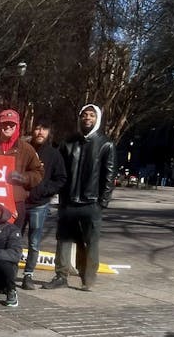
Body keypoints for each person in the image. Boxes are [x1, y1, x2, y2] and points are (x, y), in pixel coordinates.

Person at [43, 104, 116, 291]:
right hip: (68, 201)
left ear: (97, 119)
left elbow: (108, 176)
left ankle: (88, 278)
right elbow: (59, 171)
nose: (87, 118)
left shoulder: (106, 144)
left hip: (92, 202)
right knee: (64, 240)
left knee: (90, 241)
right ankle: (61, 275)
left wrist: (102, 202)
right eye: (84, 115)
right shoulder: (68, 143)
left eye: (91, 115)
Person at [20, 118, 67, 290]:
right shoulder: (24, 148)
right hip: (20, 201)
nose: (40, 132)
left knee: (34, 242)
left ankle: (28, 275)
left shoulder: (54, 154)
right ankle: (9, 272)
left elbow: (61, 178)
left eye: (44, 129)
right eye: (37, 128)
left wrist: (45, 190)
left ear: (49, 132)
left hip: (39, 204)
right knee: (15, 238)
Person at [0, 109, 44, 229]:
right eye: (4, 123)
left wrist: (23, 177)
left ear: (17, 126)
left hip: (15, 201)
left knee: (12, 239)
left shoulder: (26, 149)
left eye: (12, 124)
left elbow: (38, 173)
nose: (8, 126)